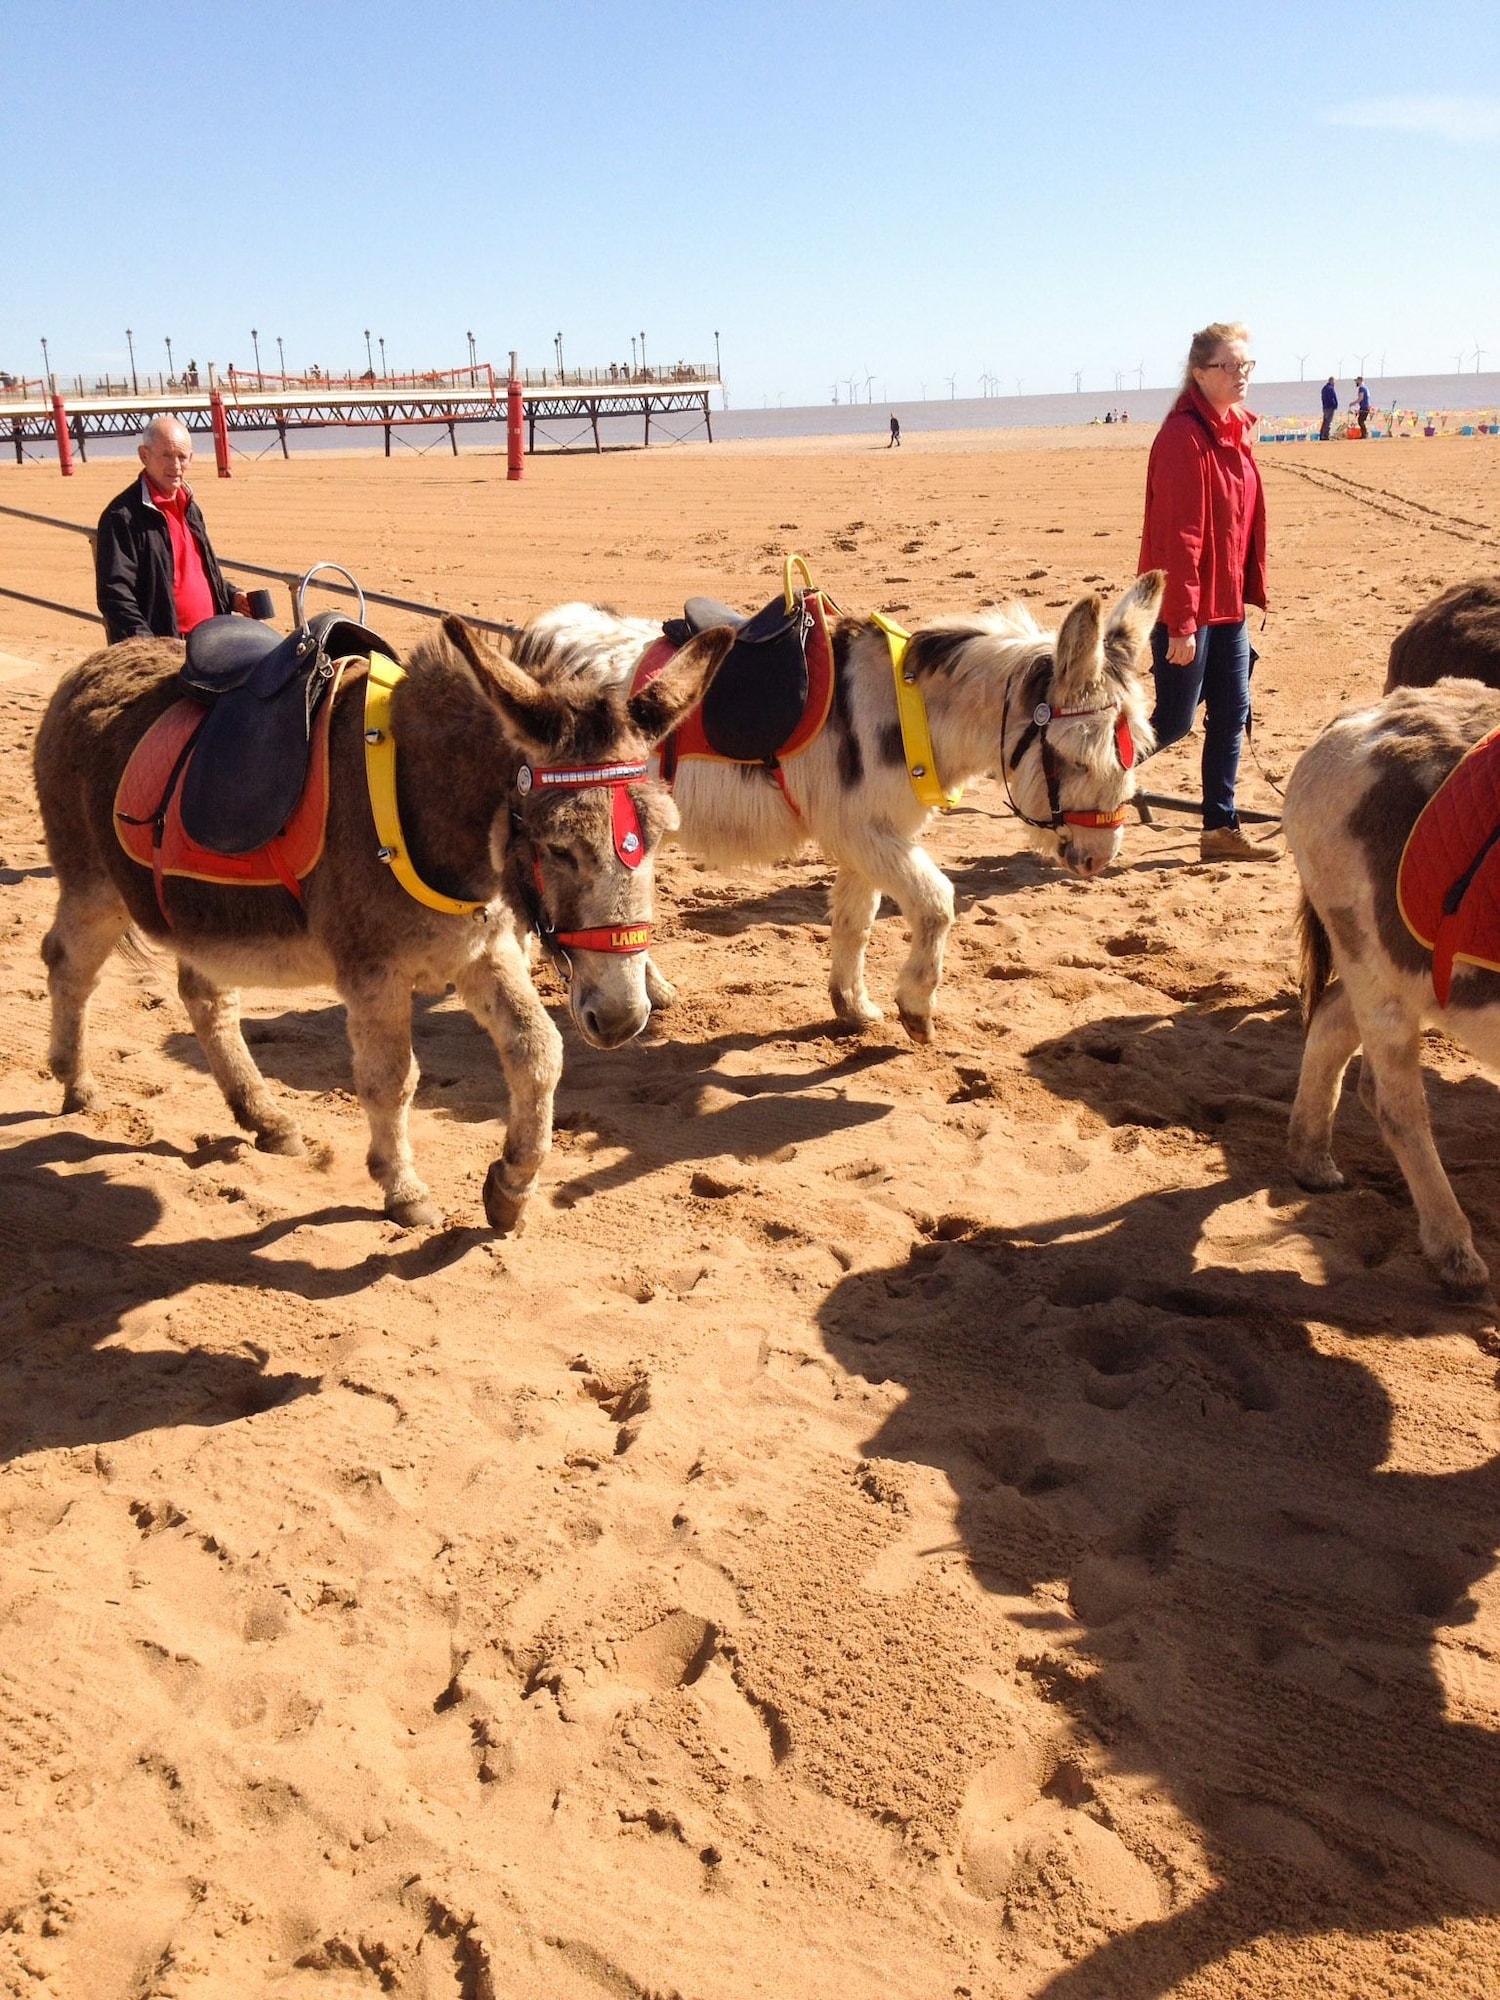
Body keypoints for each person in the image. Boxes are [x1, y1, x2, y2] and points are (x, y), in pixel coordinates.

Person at [1137, 320, 1276, 864]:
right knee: (1172, 720)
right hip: (1189, 610)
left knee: (1232, 711)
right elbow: (1181, 539)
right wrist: (1182, 622)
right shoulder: (1182, 438)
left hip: (1228, 607)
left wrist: (1246, 591)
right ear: (1200, 372)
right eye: (1230, 366)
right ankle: (1090, 779)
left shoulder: (1237, 432)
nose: (1242, 375)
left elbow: (1240, 525)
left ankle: (1220, 828)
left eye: (1248, 365)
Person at [95, 414, 248, 644]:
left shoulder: (190, 506)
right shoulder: (122, 516)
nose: (175, 466)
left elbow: (199, 572)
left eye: (181, 457)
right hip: (165, 651)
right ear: (144, 455)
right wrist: (151, 647)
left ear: (191, 459)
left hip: (211, 643)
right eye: (166, 455)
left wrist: (232, 596)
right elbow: (115, 595)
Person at [1320, 375, 1338, 441]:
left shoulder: (1324, 388)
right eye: (1334, 381)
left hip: (1325, 407)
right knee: (1328, 422)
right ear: (1331, 381)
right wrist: (1335, 405)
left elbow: (1322, 398)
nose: (1334, 383)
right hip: (1330, 407)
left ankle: (1322, 435)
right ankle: (1326, 436)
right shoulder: (1330, 388)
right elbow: (1333, 398)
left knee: (1325, 421)